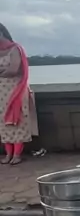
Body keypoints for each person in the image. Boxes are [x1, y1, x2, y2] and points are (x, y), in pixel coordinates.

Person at [0, 23, 37, 164]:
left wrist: (4, 71)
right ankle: (8, 154)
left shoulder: (15, 49)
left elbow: (13, 70)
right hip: (1, 92)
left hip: (16, 90)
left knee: (17, 121)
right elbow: (7, 70)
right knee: (3, 123)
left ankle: (17, 154)